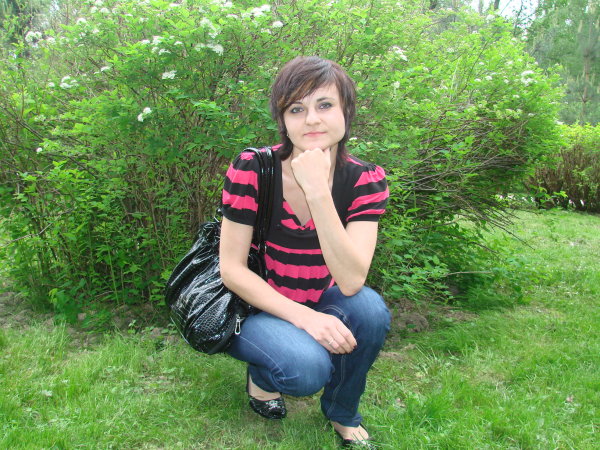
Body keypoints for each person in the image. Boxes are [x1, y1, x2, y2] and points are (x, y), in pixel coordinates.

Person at [219, 56, 390, 447]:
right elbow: (231, 269)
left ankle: (342, 410)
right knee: (305, 370)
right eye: (296, 109)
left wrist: (317, 191)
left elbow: (351, 280)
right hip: (256, 306)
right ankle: (263, 375)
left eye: (325, 105)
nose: (312, 119)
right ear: (283, 120)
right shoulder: (254, 169)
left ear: (347, 111)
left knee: (369, 310)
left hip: (322, 296)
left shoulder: (364, 180)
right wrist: (306, 319)